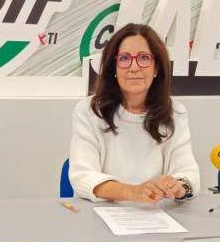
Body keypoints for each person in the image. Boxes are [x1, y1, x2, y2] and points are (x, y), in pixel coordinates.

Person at [69, 23, 200, 203]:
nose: (134, 67)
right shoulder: (88, 111)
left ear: (156, 68)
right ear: (113, 68)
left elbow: (189, 173)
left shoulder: (175, 112)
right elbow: (82, 176)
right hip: (101, 216)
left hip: (156, 216)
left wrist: (178, 186)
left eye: (144, 58)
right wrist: (131, 191)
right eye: (124, 59)